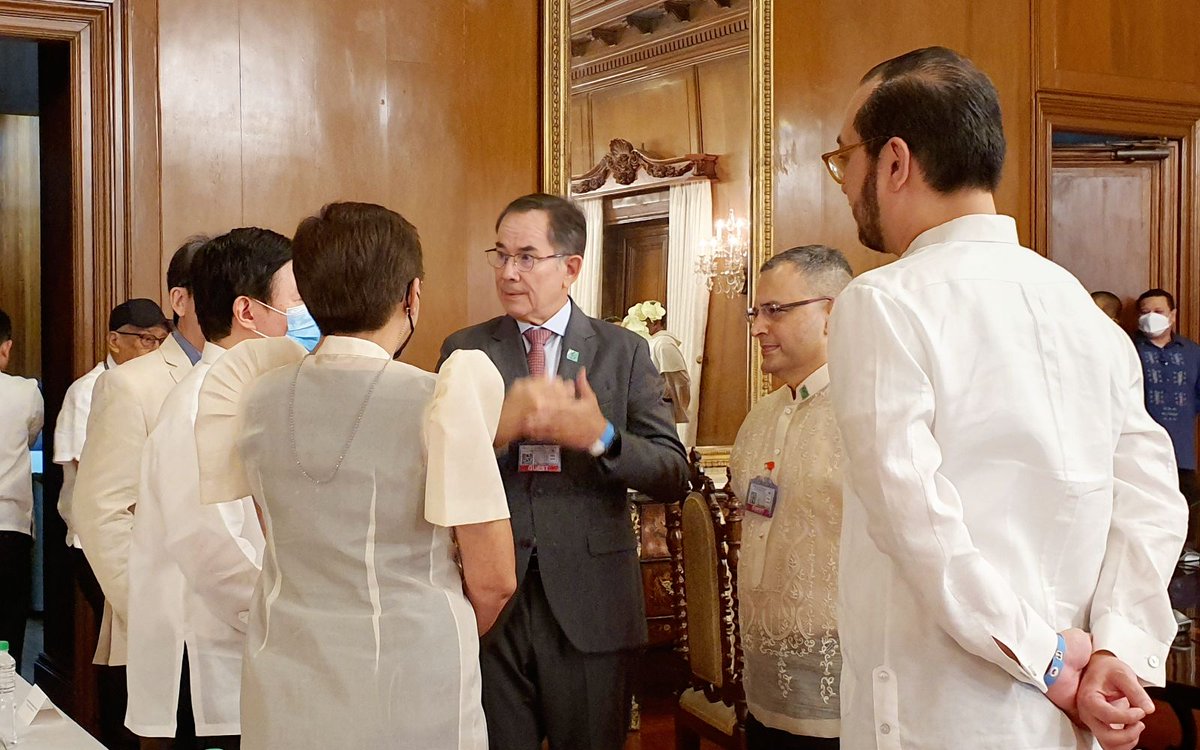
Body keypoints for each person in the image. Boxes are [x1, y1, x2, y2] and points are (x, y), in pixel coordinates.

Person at [823, 46, 1186, 750]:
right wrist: (1115, 646)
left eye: (846, 158)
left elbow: (916, 524)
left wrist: (1046, 658)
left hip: (944, 709)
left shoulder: (884, 301)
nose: (844, 182)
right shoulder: (1082, 310)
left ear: (894, 162)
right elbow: (1150, 502)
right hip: (1065, 708)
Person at [194, 202, 532, 749]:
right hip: (412, 674)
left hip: (284, 664)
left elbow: (269, 530)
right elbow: (494, 580)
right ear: (411, 295)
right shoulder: (440, 400)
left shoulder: (252, 396)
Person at [440, 193, 690, 750]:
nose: (508, 272)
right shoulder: (466, 351)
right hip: (490, 598)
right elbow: (438, 468)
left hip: (591, 603)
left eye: (527, 256)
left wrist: (598, 438)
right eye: (500, 255)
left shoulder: (622, 352)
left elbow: (673, 472)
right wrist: (496, 432)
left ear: (570, 267)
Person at [125, 229, 297, 749]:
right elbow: (212, 549)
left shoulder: (263, 393)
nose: (306, 315)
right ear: (248, 311)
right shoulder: (201, 405)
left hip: (258, 655)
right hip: (208, 666)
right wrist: (296, 613)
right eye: (295, 299)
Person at [72, 239, 207, 749]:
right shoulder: (132, 384)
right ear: (182, 299)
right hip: (164, 624)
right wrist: (151, 610)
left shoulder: (257, 377)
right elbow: (100, 509)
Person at [731, 245, 852, 750]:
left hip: (841, 685)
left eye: (776, 310)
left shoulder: (862, 412)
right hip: (762, 675)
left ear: (833, 312)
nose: (758, 326)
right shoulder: (760, 415)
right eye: (755, 312)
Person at [55, 299, 169, 551]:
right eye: (147, 339)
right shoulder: (87, 390)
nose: (156, 350)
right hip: (101, 538)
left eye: (162, 341)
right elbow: (89, 470)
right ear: (114, 341)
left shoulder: (161, 388)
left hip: (151, 536)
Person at [1135, 288, 1200, 545]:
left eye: (1158, 312)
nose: (1151, 317)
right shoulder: (1129, 349)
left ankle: (1188, 550)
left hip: (1181, 445)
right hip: (1139, 446)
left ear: (1172, 315)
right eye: (1145, 312)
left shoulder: (1192, 351)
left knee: (1187, 499)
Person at [0, 309, 44, 673]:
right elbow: (31, 436)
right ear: (6, 348)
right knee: (8, 621)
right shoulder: (25, 392)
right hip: (9, 525)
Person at [626, 301, 692, 428]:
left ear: (655, 323)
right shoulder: (648, 342)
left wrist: (674, 405)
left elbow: (679, 380)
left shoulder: (663, 344)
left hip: (659, 407)